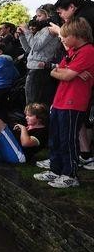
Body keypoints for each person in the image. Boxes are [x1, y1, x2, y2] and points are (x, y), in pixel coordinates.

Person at [33, 18, 94, 188]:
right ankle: (55, 170)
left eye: (65, 36)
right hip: (60, 101)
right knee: (56, 139)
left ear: (77, 35)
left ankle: (70, 175)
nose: (63, 39)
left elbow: (65, 75)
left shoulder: (87, 51)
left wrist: (67, 72)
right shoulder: (72, 52)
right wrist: (67, 72)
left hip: (73, 103)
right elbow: (55, 71)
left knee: (68, 140)